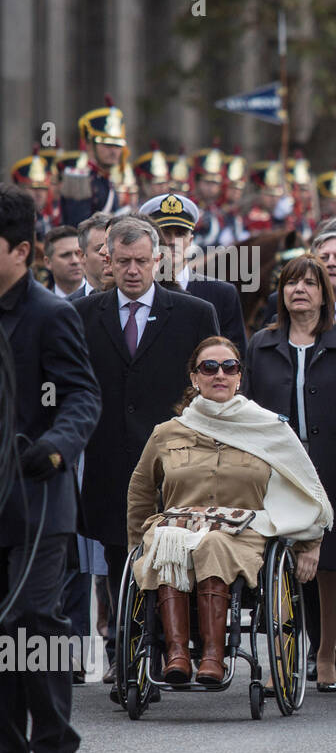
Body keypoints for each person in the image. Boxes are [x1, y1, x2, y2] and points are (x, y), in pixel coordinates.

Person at [125, 336, 328, 687]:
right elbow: (141, 492)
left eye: (229, 367)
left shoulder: (268, 429)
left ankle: (213, 657)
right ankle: (176, 655)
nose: (219, 374)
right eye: (209, 367)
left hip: (241, 535)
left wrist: (309, 542)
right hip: (177, 528)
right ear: (194, 377)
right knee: (168, 541)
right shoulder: (167, 433)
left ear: (239, 376)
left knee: (212, 544)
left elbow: (303, 488)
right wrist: (137, 544)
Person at [74, 216, 219, 692]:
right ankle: (127, 658)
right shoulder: (83, 315)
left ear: (158, 260)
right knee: (120, 560)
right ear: (107, 261)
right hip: (110, 461)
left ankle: (165, 650)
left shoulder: (194, 313)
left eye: (142, 261)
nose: (133, 270)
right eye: (123, 261)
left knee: (172, 557)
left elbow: (213, 387)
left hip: (175, 463)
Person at [0, 183, 101, 753]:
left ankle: (55, 746)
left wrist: (57, 444)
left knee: (35, 619)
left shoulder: (50, 314)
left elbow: (83, 395)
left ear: (20, 251)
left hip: (38, 498)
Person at [243, 255, 336, 691]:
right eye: (290, 283)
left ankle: (325, 658)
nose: (299, 290)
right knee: (277, 566)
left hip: (333, 469)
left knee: (330, 566)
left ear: (325, 293)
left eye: (309, 283)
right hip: (276, 471)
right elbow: (244, 408)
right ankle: (283, 658)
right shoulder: (261, 345)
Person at [139, 193, 247, 356]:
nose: (173, 241)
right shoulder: (135, 289)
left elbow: (237, 360)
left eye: (181, 234)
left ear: (190, 240)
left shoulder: (222, 294)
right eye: (165, 233)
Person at [60, 99, 126, 227]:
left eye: (117, 145)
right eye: (107, 144)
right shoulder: (79, 179)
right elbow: (77, 228)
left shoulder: (107, 180)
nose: (113, 151)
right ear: (90, 145)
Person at [42, 227, 84, 300]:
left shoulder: (102, 298)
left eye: (78, 253)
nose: (75, 261)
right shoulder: (42, 305)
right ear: (48, 262)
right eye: (65, 255)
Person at [76, 214, 112, 295]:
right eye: (99, 249)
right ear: (82, 255)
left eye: (112, 249)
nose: (108, 256)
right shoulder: (69, 306)